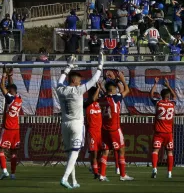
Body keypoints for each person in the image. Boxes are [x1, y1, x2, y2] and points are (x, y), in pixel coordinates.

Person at [56, 54, 104, 189]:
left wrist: (68, 67)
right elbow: (95, 79)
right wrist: (100, 65)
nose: (80, 82)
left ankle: (74, 180)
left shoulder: (60, 89)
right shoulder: (79, 90)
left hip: (64, 124)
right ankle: (65, 178)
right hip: (77, 124)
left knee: (69, 154)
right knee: (75, 153)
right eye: (79, 81)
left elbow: (60, 81)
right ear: (76, 81)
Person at [99, 71, 133, 181]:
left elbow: (107, 93)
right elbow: (126, 90)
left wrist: (109, 82)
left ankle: (102, 175)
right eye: (115, 88)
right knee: (121, 150)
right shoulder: (115, 98)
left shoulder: (103, 98)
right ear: (113, 90)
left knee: (106, 151)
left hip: (104, 129)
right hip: (114, 129)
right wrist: (122, 79)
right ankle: (123, 175)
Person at [0, 68, 23, 180]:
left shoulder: (10, 99)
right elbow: (12, 87)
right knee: (13, 152)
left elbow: (2, 87)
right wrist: (10, 76)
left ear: (9, 91)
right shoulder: (19, 99)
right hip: (16, 129)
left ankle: (4, 171)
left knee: (0, 150)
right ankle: (13, 174)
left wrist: (4, 75)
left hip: (7, 128)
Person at [150, 77, 176, 179]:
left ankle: (155, 169)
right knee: (169, 152)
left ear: (161, 96)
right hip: (168, 133)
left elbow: (151, 95)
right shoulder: (172, 104)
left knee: (155, 150)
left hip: (159, 132)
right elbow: (175, 96)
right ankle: (169, 173)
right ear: (168, 96)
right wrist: (168, 85)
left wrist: (155, 84)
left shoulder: (158, 103)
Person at [85, 83, 102, 179]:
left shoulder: (98, 103)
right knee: (94, 153)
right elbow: (93, 99)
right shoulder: (87, 103)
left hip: (100, 132)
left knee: (100, 152)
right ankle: (96, 173)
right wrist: (98, 88)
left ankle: (96, 169)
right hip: (92, 132)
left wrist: (100, 88)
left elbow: (107, 96)